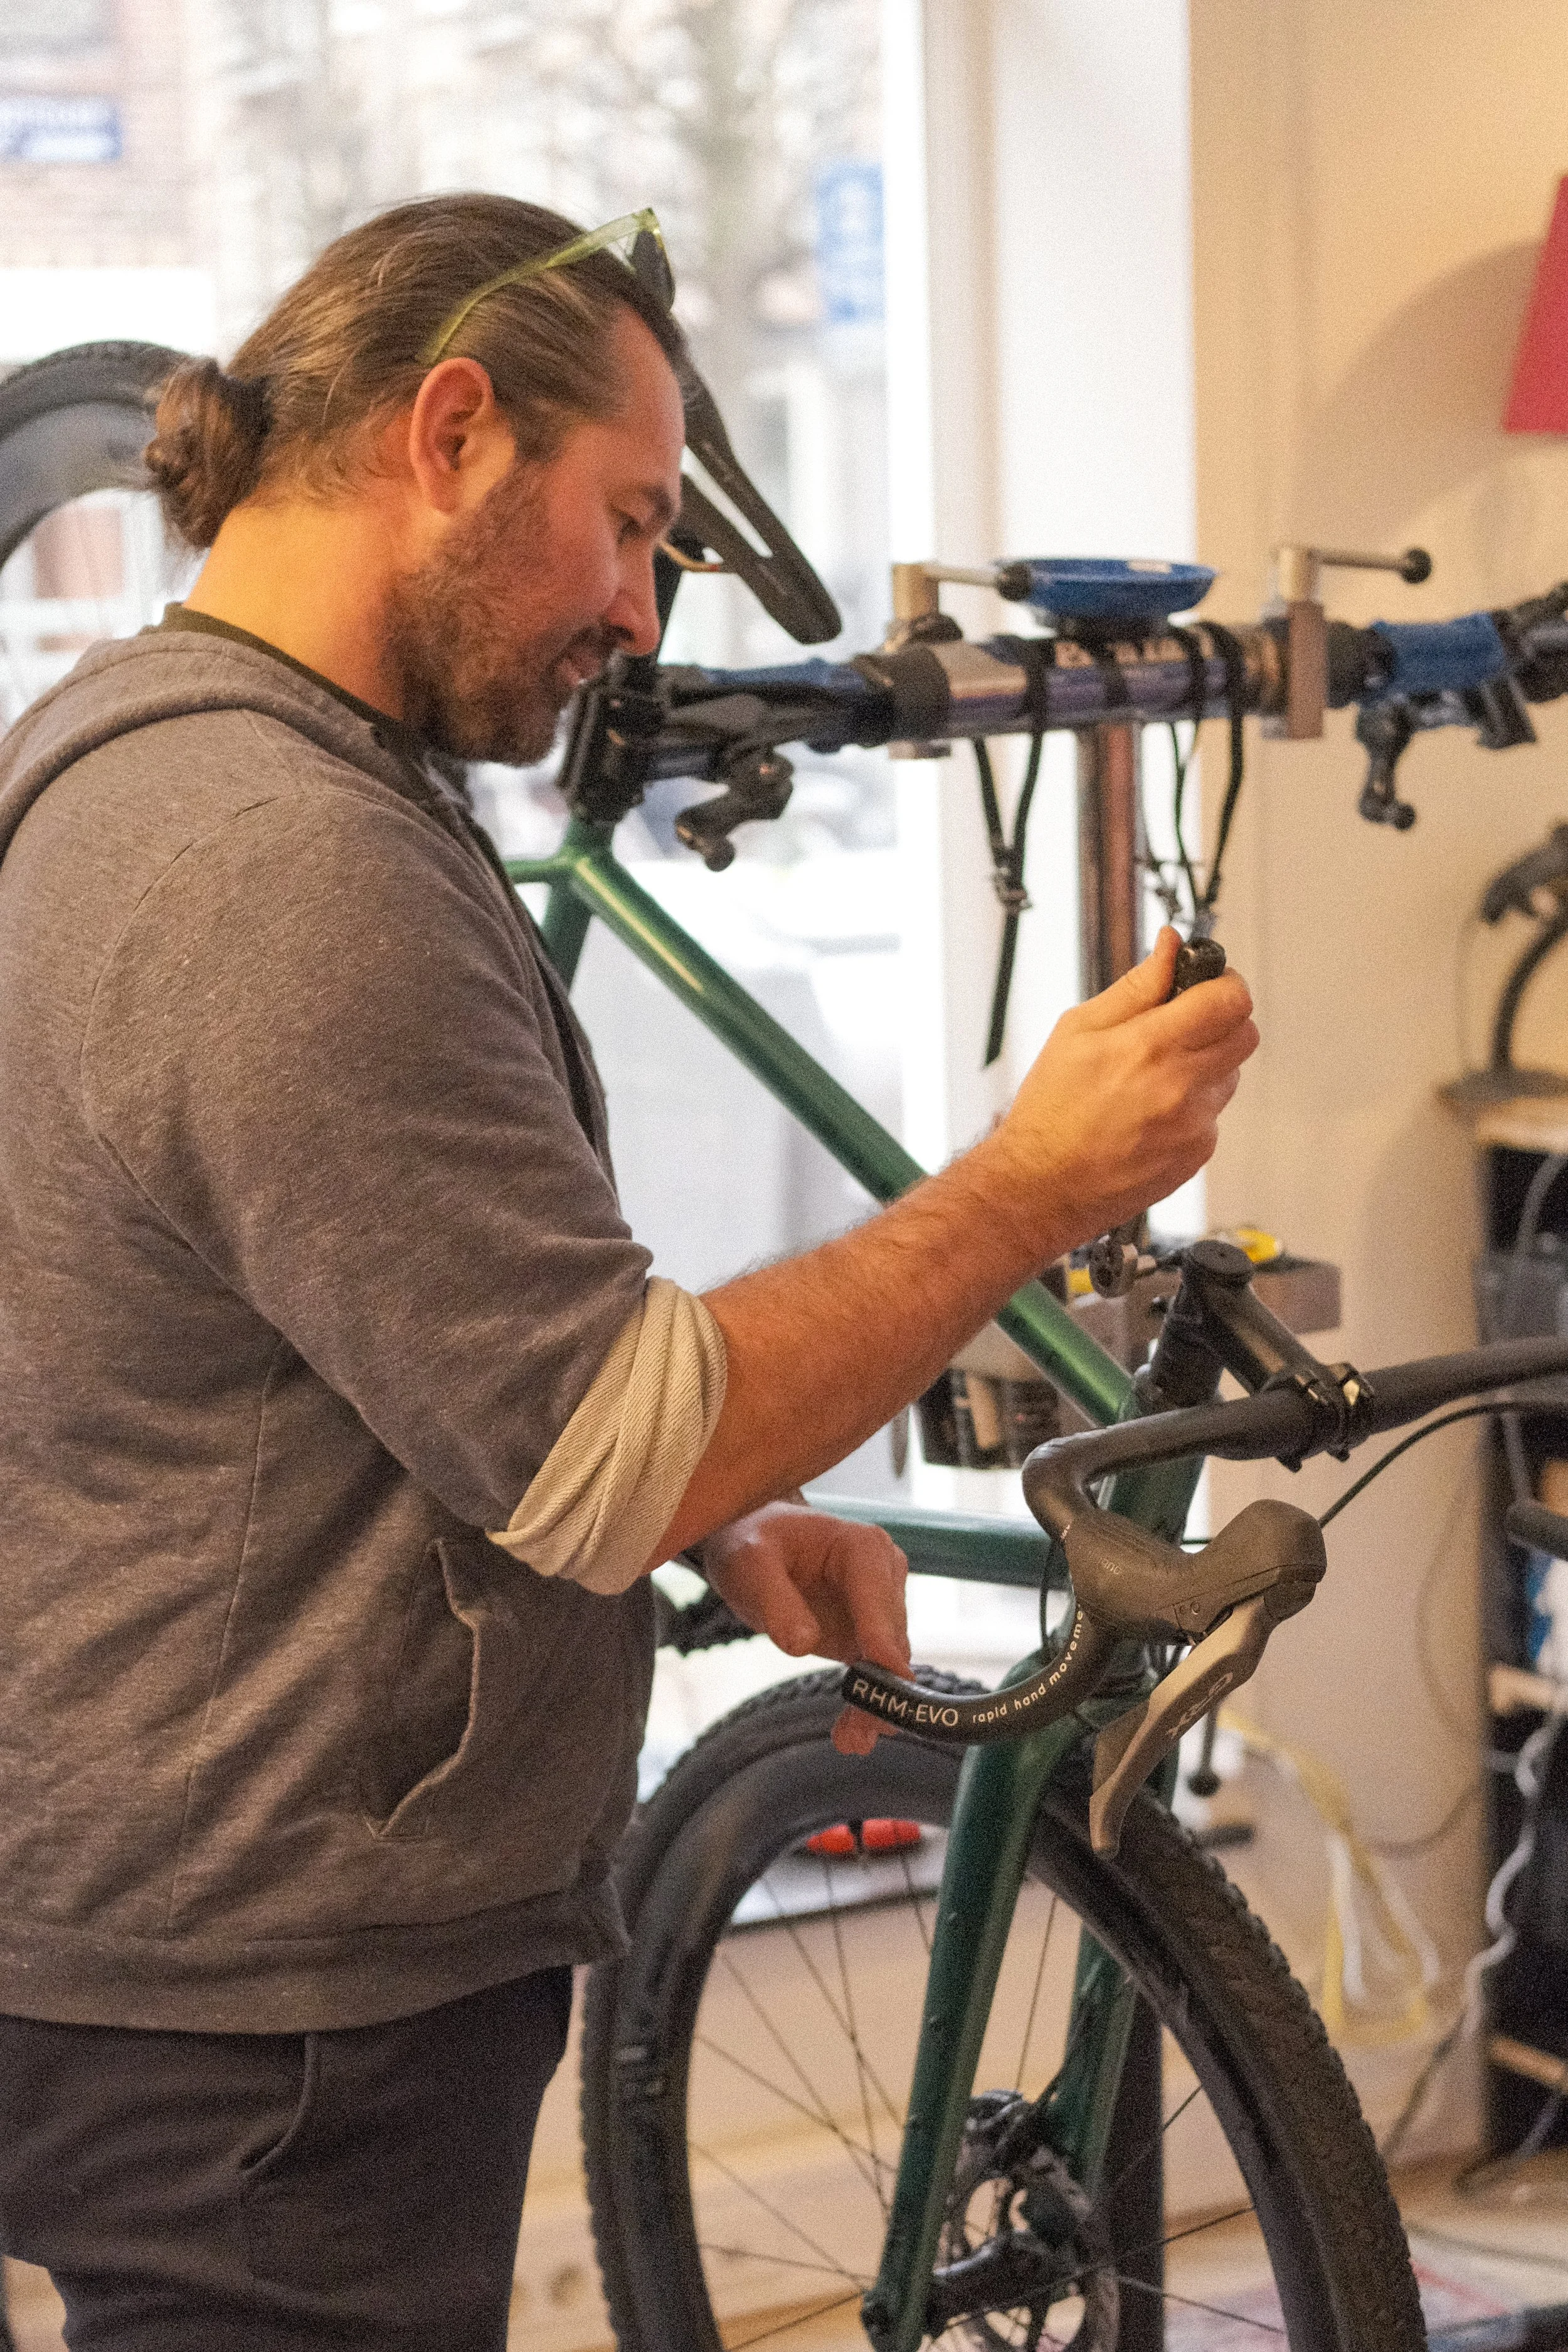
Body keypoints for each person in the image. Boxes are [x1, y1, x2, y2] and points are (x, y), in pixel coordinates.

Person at [0, 193, 1257, 2349]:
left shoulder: (155, 759)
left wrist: (694, 1522)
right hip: (265, 2008)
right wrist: (1028, 1183)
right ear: (454, 431)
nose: (640, 605)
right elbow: (605, 1441)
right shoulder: (276, 866)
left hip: (172, 1923)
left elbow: (329, 1373)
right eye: (631, 522)